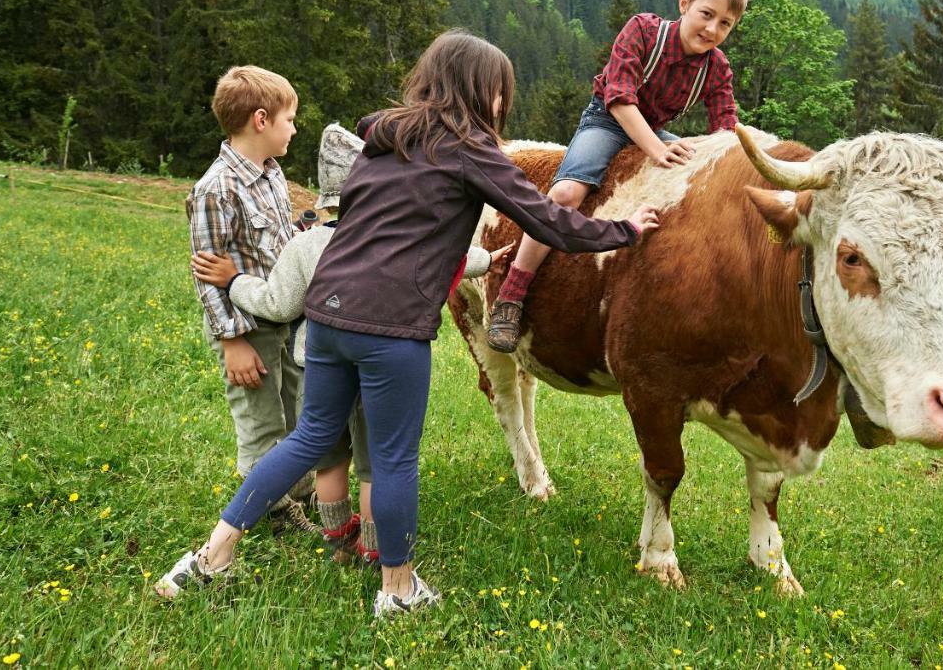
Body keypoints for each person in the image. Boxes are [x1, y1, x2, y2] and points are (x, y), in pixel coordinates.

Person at [156, 30, 660, 618]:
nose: (503, 106)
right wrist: (624, 230)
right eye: (500, 93)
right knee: (393, 458)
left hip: (326, 314)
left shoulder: (381, 139)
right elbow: (548, 219)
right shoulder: (470, 148)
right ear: (482, 92)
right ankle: (397, 590)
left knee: (310, 437)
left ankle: (210, 559)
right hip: (389, 330)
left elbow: (385, 229)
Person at [190, 123, 510, 565]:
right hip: (381, 369)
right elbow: (452, 256)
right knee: (376, 467)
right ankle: (374, 549)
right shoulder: (398, 240)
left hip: (319, 368)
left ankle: (338, 540)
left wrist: (235, 281)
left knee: (327, 458)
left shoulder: (308, 244)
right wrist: (491, 260)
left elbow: (277, 304)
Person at [486, 0, 749, 352]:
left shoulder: (717, 68)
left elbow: (726, 132)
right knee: (566, 195)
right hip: (608, 120)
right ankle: (512, 292)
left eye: (725, 24)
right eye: (706, 15)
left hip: (655, 130)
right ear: (685, 4)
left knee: (700, 179)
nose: (712, 30)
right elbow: (621, 98)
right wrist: (657, 151)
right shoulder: (642, 30)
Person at [186, 65, 315, 533]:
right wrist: (232, 342)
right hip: (247, 327)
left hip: (282, 313)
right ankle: (274, 512)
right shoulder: (215, 189)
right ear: (261, 120)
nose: (295, 128)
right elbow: (206, 273)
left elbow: (277, 243)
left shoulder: (272, 173)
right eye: (290, 119)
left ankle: (299, 490)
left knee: (296, 407)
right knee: (262, 422)